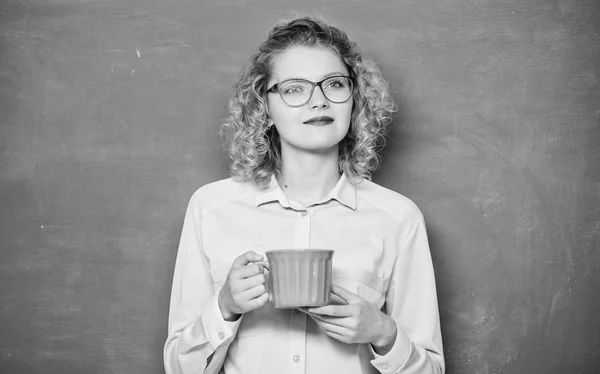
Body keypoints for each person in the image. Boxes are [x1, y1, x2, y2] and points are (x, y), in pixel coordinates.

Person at [164, 15, 444, 374]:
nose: (319, 102)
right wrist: (224, 307)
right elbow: (177, 367)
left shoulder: (398, 218)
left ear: (355, 98)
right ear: (264, 105)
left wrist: (383, 332)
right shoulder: (211, 208)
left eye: (335, 84)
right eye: (295, 88)